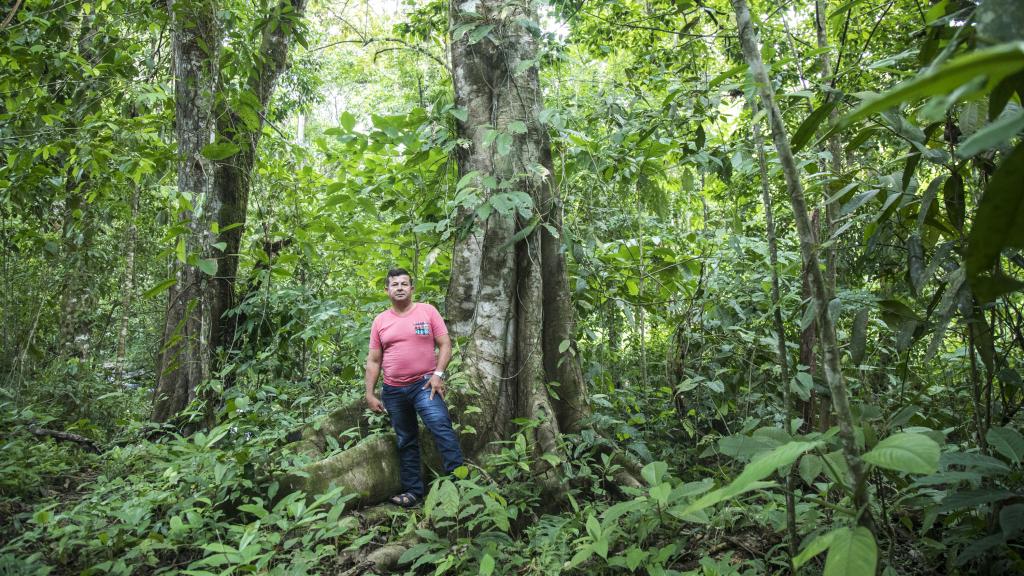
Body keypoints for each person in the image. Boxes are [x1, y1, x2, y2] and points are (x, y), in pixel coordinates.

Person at [364, 267, 465, 507]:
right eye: (394, 284)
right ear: (387, 290)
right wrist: (369, 393)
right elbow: (374, 360)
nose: (399, 287)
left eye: (404, 284)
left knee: (440, 426)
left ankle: (459, 485)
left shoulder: (427, 312)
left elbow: (445, 344)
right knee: (406, 439)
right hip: (393, 391)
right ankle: (413, 492)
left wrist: (438, 375)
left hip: (424, 385)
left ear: (412, 288)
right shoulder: (381, 321)